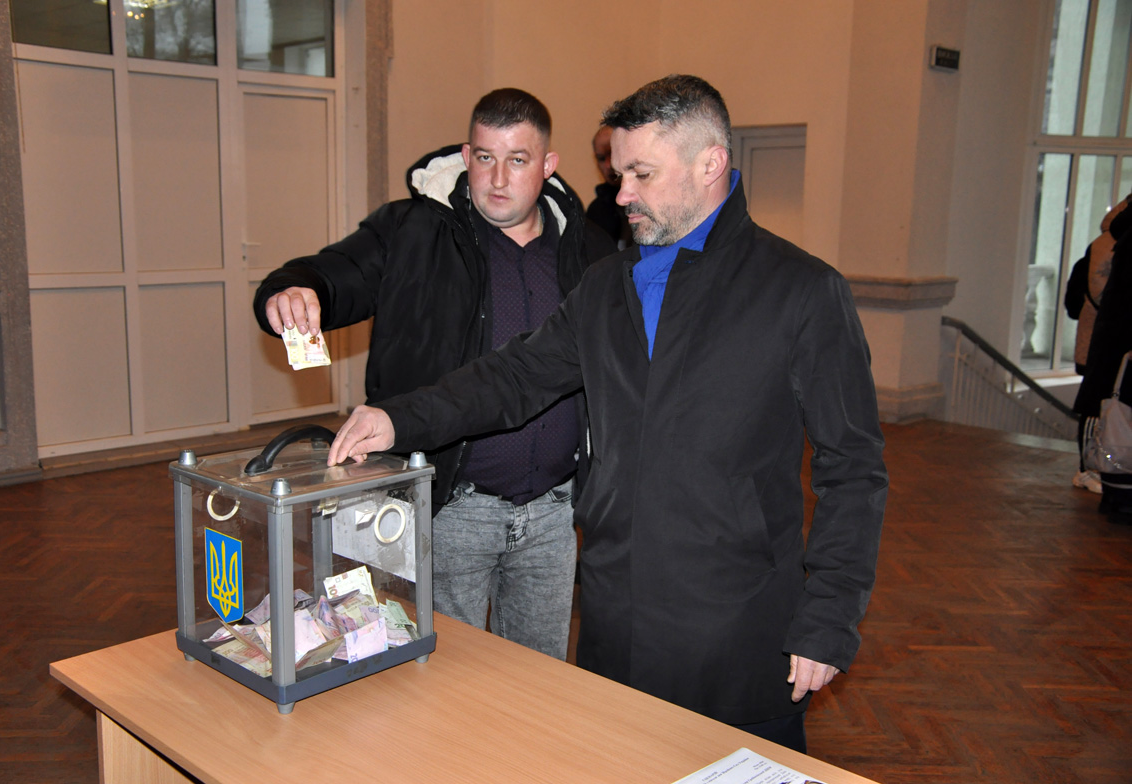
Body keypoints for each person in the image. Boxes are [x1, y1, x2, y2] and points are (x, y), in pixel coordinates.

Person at [323, 75, 888, 754]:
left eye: (641, 174)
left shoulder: (801, 291)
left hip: (736, 626)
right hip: (616, 619)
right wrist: (398, 419)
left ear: (709, 164)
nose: (621, 195)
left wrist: (828, 617)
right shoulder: (607, 286)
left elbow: (853, 469)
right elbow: (514, 376)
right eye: (619, 174)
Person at [253, 88, 614, 660]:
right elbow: (336, 272)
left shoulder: (589, 246)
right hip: (449, 506)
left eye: (518, 160)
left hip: (552, 512)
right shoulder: (414, 230)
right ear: (467, 156)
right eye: (485, 157)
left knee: (540, 679)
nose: (498, 178)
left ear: (548, 166)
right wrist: (295, 290)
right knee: (444, 676)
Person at [1066, 196, 1132, 494]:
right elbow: (1100, 293)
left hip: (1107, 334)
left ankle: (1100, 467)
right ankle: (1089, 467)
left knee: (1104, 402)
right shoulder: (1111, 243)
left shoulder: (1110, 240)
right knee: (1098, 402)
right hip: (1109, 336)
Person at [585, 124, 632, 249]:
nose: (608, 165)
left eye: (612, 154)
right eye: (601, 158)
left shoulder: (648, 198)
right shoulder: (597, 210)